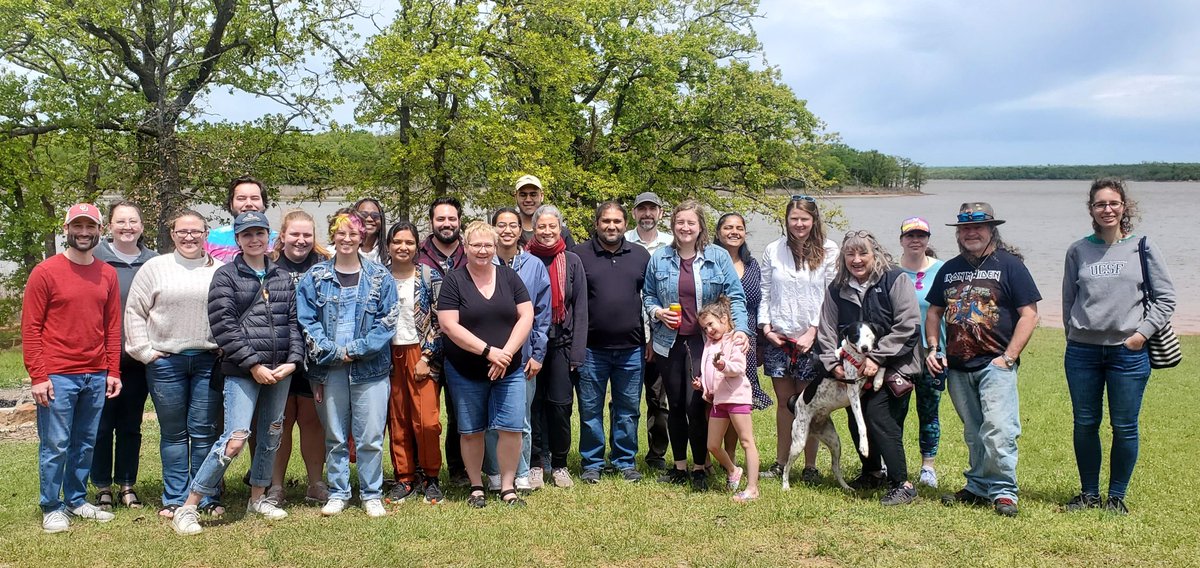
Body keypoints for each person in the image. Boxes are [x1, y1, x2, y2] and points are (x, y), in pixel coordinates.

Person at [170, 211, 304, 535]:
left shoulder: (281, 276)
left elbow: (293, 323)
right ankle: (189, 506)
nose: (254, 239)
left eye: (260, 233)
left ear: (269, 236)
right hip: (243, 371)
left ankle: (257, 498)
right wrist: (253, 365)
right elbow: (224, 326)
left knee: (271, 434)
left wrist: (293, 361)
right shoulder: (226, 276)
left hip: (280, 370)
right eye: (247, 234)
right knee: (235, 439)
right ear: (238, 239)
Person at [1061, 179, 1176, 515]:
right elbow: (1069, 299)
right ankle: (1089, 494)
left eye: (1113, 203)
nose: (1107, 209)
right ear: (1091, 209)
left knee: (1124, 426)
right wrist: (1074, 334)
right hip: (1082, 352)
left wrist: (1141, 335)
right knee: (1085, 423)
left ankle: (1116, 497)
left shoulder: (1142, 247)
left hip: (1129, 352)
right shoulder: (1078, 250)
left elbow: (1166, 298)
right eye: (1100, 204)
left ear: (1124, 207)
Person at [926, 202, 1041, 517]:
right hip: (957, 366)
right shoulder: (949, 269)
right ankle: (977, 486)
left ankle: (1004, 491)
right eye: (965, 228)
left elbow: (1029, 315)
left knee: (1000, 429)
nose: (970, 233)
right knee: (974, 431)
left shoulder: (1010, 265)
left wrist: (1008, 357)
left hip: (995, 364)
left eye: (977, 227)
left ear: (991, 229)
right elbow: (934, 312)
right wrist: (934, 348)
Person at [24, 203, 123, 533]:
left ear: (99, 231)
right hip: (57, 375)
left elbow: (112, 327)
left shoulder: (107, 273)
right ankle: (51, 506)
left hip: (95, 373)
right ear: (66, 229)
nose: (83, 232)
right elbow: (31, 328)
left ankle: (77, 500)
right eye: (77, 226)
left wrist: (113, 371)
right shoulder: (45, 272)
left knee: (85, 442)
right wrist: (38, 376)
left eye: (90, 226)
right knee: (56, 445)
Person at [123, 210, 225, 520]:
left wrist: (226, 346)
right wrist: (144, 351)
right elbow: (135, 311)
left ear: (205, 234)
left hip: (208, 361)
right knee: (174, 433)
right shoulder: (156, 268)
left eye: (195, 231)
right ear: (173, 234)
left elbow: (231, 312)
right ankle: (175, 497)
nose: (189, 237)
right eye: (182, 231)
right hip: (166, 363)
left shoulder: (219, 270)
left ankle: (205, 496)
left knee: (204, 432)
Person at [297, 211, 398, 517]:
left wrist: (354, 351)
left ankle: (371, 493)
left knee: (370, 437)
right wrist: (333, 352)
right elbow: (307, 321)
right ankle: (339, 492)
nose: (347, 238)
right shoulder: (315, 277)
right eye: (341, 233)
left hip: (370, 370)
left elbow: (387, 322)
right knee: (335, 436)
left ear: (362, 237)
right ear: (333, 235)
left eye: (353, 233)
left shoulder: (380, 277)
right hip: (329, 370)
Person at [643, 199, 750, 490]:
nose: (685, 227)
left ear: (700, 226)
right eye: (680, 222)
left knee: (696, 404)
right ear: (672, 225)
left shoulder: (717, 256)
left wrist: (741, 330)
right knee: (675, 404)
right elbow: (648, 296)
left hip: (705, 343)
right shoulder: (660, 258)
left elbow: (736, 296)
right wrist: (658, 313)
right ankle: (679, 466)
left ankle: (700, 467)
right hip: (668, 342)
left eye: (691, 222)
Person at [818, 231, 922, 505]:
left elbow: (908, 325)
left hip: (896, 364)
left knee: (878, 415)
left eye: (863, 253)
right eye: (850, 254)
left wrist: (877, 358)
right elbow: (827, 329)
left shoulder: (895, 279)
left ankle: (902, 484)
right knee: (856, 416)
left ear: (875, 254)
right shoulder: (837, 288)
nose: (856, 259)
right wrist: (832, 365)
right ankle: (872, 472)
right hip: (853, 369)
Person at [437, 221, 535, 507]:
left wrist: (506, 354)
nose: (482, 250)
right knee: (471, 431)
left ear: (495, 247)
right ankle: (476, 486)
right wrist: (488, 352)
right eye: (476, 245)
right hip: (465, 370)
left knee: (512, 428)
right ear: (465, 247)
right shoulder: (454, 281)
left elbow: (526, 315)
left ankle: (508, 487)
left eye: (488, 245)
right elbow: (448, 325)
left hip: (509, 369)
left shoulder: (509, 277)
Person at [757, 195, 838, 481]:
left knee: (809, 404)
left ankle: (810, 466)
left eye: (805, 219)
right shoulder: (773, 249)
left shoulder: (829, 250)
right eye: (794, 219)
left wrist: (813, 331)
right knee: (784, 403)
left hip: (812, 339)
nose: (799, 224)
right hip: (779, 338)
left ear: (814, 221)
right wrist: (766, 328)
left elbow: (831, 297)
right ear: (787, 220)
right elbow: (765, 291)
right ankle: (781, 462)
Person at [573, 202, 651, 483]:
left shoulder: (640, 255)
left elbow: (650, 298)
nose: (611, 226)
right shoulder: (579, 255)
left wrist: (651, 339)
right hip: (591, 348)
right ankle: (592, 463)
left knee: (628, 410)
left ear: (625, 224)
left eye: (617, 221)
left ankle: (624, 461)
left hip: (631, 348)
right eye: (606, 221)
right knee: (589, 409)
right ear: (596, 223)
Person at [90, 201, 157, 511]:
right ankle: (102, 486)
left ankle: (127, 485)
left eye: (133, 221)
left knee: (131, 426)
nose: (127, 227)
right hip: (102, 359)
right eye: (121, 221)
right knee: (102, 426)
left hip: (138, 360)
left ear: (142, 226)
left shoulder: (154, 262)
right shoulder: (95, 258)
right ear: (109, 227)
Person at [266, 210, 332, 506]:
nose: (301, 240)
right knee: (278, 421)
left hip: (313, 355)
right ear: (283, 235)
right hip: (278, 354)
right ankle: (276, 486)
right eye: (294, 234)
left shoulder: (325, 265)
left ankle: (315, 482)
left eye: (307, 235)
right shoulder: (269, 265)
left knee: (312, 420)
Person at [484, 208, 550, 491]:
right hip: (489, 354)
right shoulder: (483, 262)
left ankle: (521, 472)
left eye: (513, 225)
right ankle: (494, 472)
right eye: (501, 225)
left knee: (520, 418)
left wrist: (538, 354)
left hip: (524, 357)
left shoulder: (534, 265)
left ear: (521, 230)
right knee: (491, 419)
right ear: (493, 229)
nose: (507, 230)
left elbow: (543, 313)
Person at [525, 204, 588, 488]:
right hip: (531, 345)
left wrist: (577, 352)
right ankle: (536, 463)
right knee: (533, 405)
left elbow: (581, 308)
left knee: (561, 406)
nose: (547, 231)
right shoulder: (524, 259)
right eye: (542, 226)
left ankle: (560, 464)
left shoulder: (572, 261)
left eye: (552, 226)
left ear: (560, 228)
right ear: (534, 229)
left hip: (563, 344)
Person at [383, 220, 446, 505]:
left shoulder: (429, 276)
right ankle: (404, 477)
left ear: (417, 246)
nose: (403, 247)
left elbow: (441, 321)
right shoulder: (379, 277)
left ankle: (431, 477)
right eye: (397, 242)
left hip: (421, 355)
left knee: (427, 421)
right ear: (388, 245)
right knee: (398, 420)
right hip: (387, 356)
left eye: (409, 242)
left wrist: (427, 356)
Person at [416, 196, 469, 485]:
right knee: (424, 415)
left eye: (451, 218)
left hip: (463, 348)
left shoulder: (471, 252)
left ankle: (459, 469)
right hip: (425, 350)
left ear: (459, 221)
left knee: (461, 414)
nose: (446, 224)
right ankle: (423, 470)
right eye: (440, 219)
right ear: (431, 222)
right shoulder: (417, 254)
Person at [713, 212, 773, 463]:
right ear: (718, 232)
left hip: (744, 339)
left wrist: (760, 343)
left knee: (737, 400)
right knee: (713, 395)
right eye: (728, 227)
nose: (734, 232)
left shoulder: (752, 265)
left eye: (739, 228)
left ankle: (731, 455)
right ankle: (709, 456)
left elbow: (760, 304)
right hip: (715, 338)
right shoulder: (709, 261)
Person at [897, 217, 947, 488]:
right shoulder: (891, 271)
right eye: (910, 235)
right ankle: (893, 462)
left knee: (929, 410)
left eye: (921, 235)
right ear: (901, 240)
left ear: (928, 240)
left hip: (933, 353)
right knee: (895, 410)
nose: (915, 240)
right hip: (899, 355)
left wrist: (944, 350)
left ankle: (928, 466)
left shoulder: (942, 270)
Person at [694, 296, 760, 503]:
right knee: (712, 445)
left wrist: (724, 366)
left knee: (746, 441)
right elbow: (709, 371)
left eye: (710, 324)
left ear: (724, 319)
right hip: (718, 400)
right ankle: (733, 470)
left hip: (737, 397)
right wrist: (702, 384)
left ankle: (752, 488)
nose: (708, 330)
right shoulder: (709, 344)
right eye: (704, 328)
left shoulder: (735, 340)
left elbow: (739, 368)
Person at [624, 191, 673, 470]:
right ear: (634, 213)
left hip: (661, 335)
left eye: (652, 209)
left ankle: (656, 455)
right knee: (624, 400)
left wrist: (653, 337)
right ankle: (622, 454)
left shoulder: (671, 245)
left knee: (658, 400)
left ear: (660, 213)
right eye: (642, 209)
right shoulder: (623, 241)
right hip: (628, 336)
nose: (647, 214)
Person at [205, 176, 277, 262]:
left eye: (254, 198)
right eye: (241, 199)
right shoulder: (211, 239)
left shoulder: (279, 241)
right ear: (231, 204)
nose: (249, 204)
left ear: (264, 204)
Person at [514, 174, 574, 247]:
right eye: (523, 195)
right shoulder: (509, 230)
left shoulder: (561, 233)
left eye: (533, 194)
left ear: (542, 196)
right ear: (515, 197)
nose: (528, 199)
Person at [353, 197, 387, 264]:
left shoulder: (390, 253)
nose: (369, 219)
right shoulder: (338, 251)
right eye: (363, 215)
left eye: (375, 215)